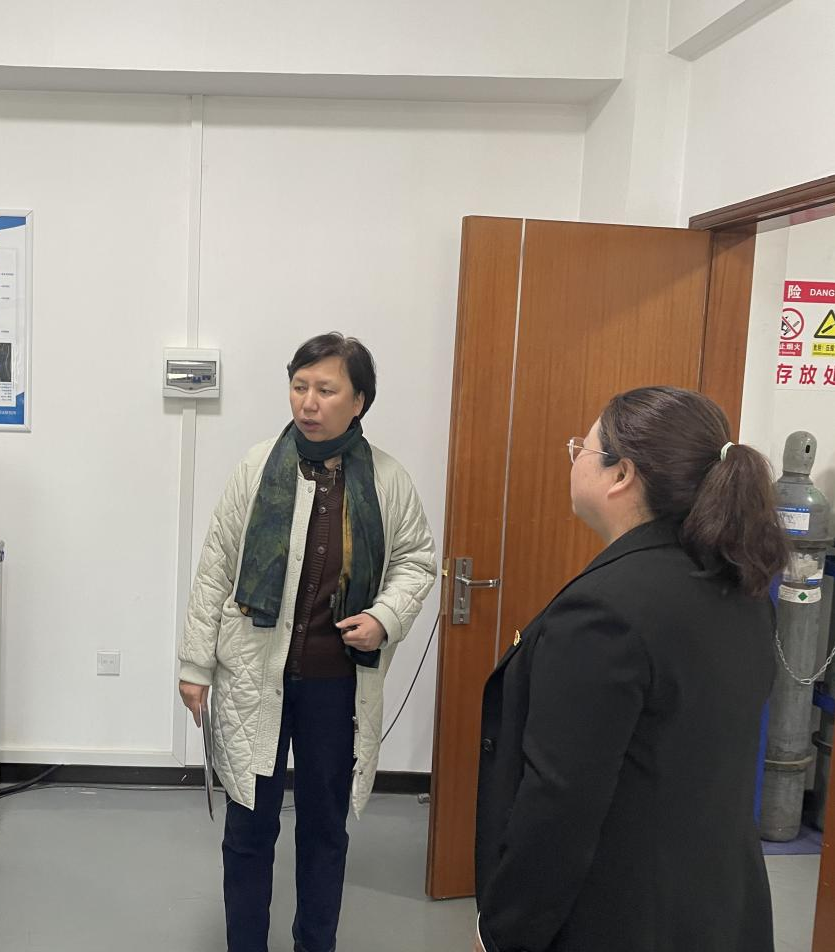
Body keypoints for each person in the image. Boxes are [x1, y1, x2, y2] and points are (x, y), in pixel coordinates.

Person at [474, 386, 790, 952]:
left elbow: (560, 804)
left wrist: (504, 931)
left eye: (584, 446)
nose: (574, 455)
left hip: (621, 916)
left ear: (621, 474)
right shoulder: (738, 588)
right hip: (717, 906)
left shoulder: (604, 612)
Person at [178, 332, 437, 952]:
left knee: (324, 831)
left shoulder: (387, 480)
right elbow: (216, 567)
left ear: (359, 401)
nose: (309, 402)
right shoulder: (256, 466)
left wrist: (383, 617)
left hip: (336, 684)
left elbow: (417, 560)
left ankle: (314, 943)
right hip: (253, 678)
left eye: (326, 389)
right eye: (299, 386)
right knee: (248, 829)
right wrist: (195, 664)